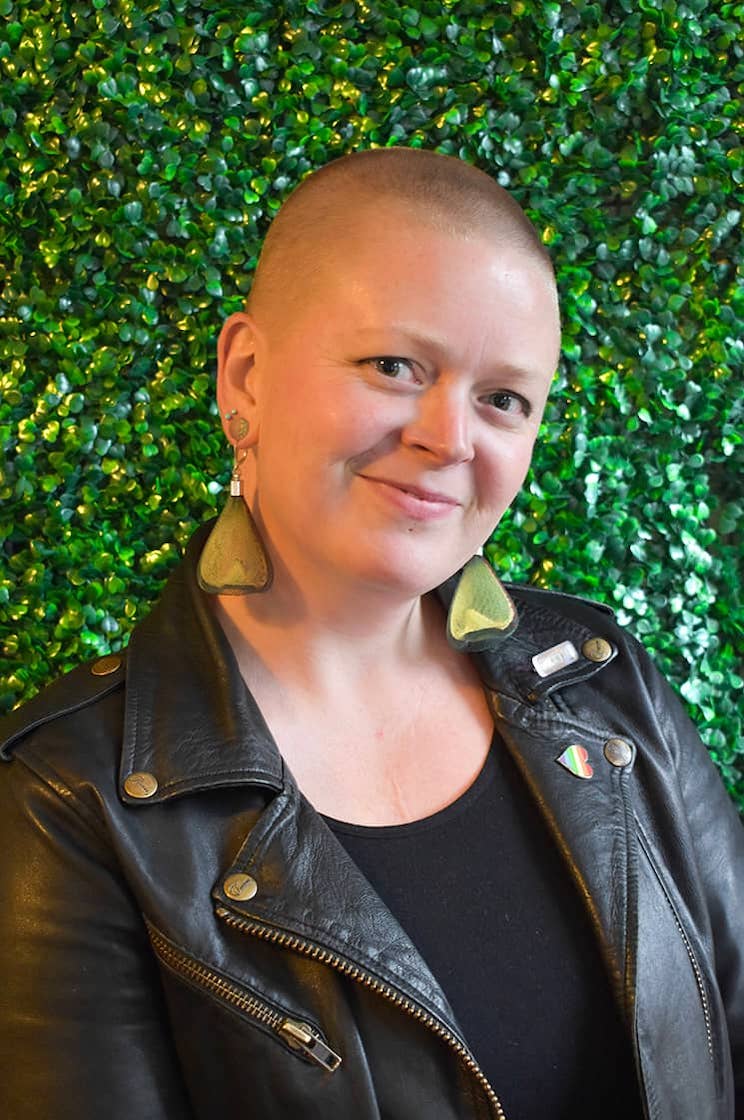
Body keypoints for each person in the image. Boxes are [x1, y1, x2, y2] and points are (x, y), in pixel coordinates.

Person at [0, 147, 742, 1120]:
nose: (451, 435)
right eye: (395, 364)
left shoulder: (605, 685)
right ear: (247, 376)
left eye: (503, 398)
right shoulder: (72, 796)